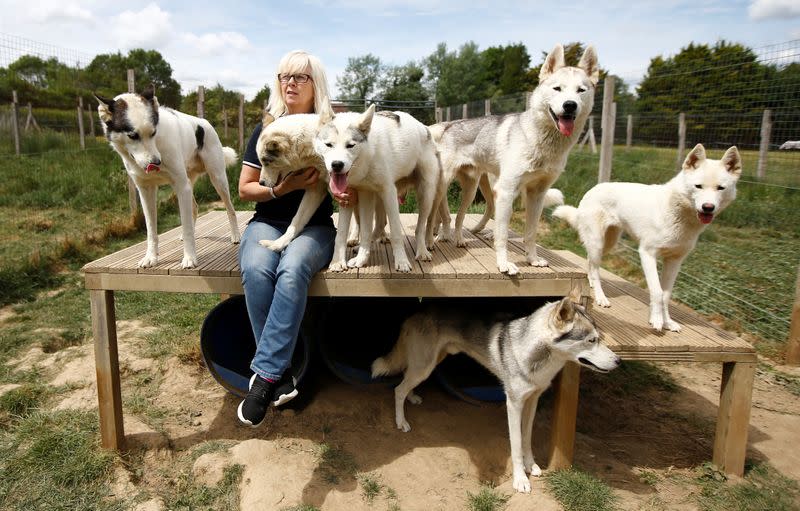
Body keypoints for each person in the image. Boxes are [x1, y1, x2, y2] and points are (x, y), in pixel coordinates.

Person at [236, 50, 353, 427]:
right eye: (284, 76)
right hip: (266, 221)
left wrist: (345, 190)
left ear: (315, 83)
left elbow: (348, 172)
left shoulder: (331, 128)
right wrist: (282, 189)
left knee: (292, 268)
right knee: (256, 269)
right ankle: (278, 374)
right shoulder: (268, 131)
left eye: (300, 77)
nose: (290, 83)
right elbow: (245, 188)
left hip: (316, 227)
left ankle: (264, 376)